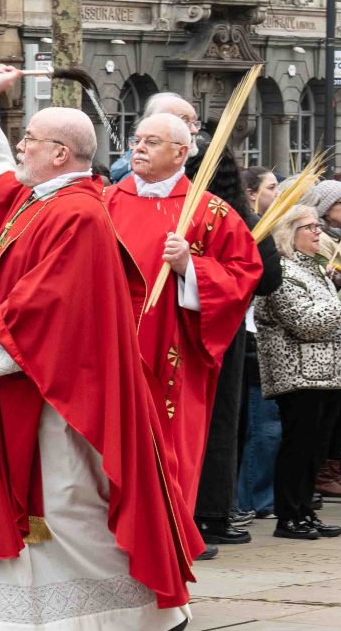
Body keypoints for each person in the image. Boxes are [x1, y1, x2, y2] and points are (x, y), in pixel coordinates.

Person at [0, 67, 193, 631]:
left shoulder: (79, 214)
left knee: (64, 506)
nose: (21, 147)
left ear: (60, 152)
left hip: (57, 391)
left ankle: (154, 613)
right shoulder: (36, 199)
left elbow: (51, 305)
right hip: (14, 382)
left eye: (30, 140)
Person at [103, 112, 263, 520]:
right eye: (137, 139)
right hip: (113, 343)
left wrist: (190, 269)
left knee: (169, 448)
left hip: (174, 348)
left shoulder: (211, 212)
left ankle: (164, 534)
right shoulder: (103, 204)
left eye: (151, 142)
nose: (138, 147)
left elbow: (246, 275)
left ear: (180, 152)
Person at [255, 205, 341, 540]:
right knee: (298, 446)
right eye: (309, 227)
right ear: (289, 232)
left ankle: (305, 510)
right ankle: (288, 515)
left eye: (317, 226)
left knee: (315, 446)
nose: (317, 232)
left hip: (325, 373)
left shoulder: (313, 268)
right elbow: (305, 322)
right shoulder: (283, 271)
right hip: (298, 373)